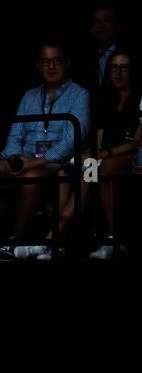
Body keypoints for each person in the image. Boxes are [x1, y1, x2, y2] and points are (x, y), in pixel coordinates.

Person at [0, 41, 92, 261]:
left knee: (32, 176)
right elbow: (16, 134)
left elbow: (73, 140)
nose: (51, 66)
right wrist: (15, 158)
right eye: (45, 61)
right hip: (23, 158)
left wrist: (34, 163)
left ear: (67, 63)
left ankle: (15, 240)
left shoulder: (80, 94)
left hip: (55, 162)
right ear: (38, 66)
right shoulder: (29, 95)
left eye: (56, 61)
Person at [81, 50, 141, 258]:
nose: (118, 73)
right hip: (106, 155)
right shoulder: (106, 100)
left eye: (123, 68)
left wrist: (105, 154)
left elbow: (136, 143)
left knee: (102, 168)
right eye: (114, 68)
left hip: (129, 156)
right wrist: (91, 155)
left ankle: (114, 237)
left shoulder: (140, 98)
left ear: (132, 71)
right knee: (87, 167)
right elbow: (98, 139)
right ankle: (64, 234)